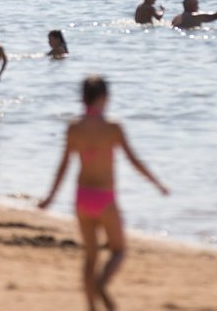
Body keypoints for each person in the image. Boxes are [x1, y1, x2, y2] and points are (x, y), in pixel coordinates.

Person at [38, 76, 169, 311]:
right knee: (118, 251)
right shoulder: (113, 127)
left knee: (90, 257)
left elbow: (63, 166)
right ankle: (101, 283)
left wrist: (50, 197)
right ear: (104, 98)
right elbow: (133, 160)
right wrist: (156, 183)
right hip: (105, 199)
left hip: (81, 198)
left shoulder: (74, 128)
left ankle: (91, 306)